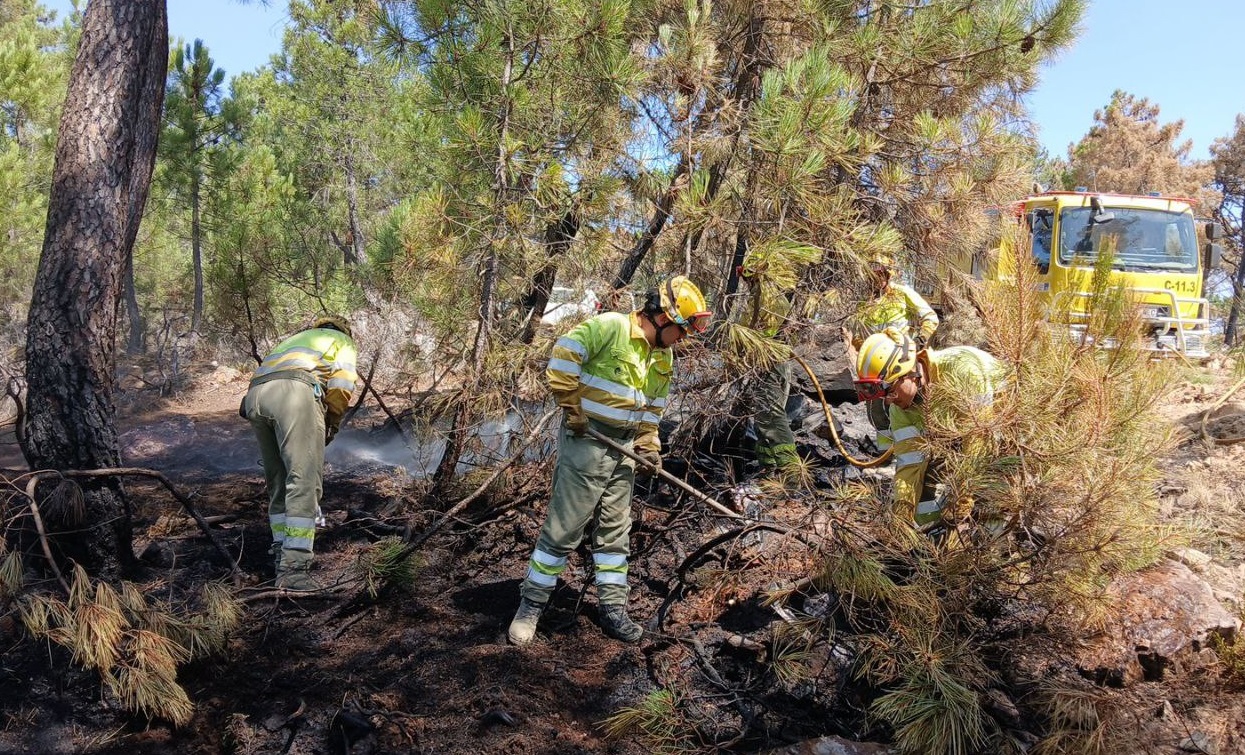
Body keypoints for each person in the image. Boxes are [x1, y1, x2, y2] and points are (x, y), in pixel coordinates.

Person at [509, 275, 711, 646]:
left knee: (615, 530)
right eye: (681, 330)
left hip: (625, 447)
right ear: (663, 318)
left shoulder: (662, 356)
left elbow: (652, 409)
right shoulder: (611, 327)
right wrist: (572, 407)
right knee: (565, 528)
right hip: (588, 439)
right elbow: (563, 355)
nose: (682, 339)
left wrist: (649, 447)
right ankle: (530, 605)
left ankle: (613, 609)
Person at [241, 315, 359, 591]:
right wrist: (331, 424)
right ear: (345, 330)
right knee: (303, 481)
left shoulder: (295, 339)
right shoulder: (342, 341)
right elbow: (341, 388)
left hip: (255, 397)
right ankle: (294, 572)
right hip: (293, 394)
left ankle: (280, 555)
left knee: (279, 481)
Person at [853, 329, 1001, 529]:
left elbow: (979, 442)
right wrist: (901, 517)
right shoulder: (900, 410)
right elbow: (909, 466)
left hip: (1006, 436)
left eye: (891, 391)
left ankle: (994, 539)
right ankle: (934, 541)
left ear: (909, 373)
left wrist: (962, 498)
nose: (888, 401)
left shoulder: (962, 369)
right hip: (960, 442)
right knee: (924, 504)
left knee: (993, 505)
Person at [847, 254, 940, 450]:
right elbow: (857, 336)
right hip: (877, 370)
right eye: (872, 275)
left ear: (888, 275)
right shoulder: (863, 303)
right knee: (877, 412)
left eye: (880, 274)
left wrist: (919, 341)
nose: (876, 279)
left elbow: (930, 318)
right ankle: (885, 453)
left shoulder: (902, 293)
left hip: (902, 366)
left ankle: (916, 450)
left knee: (910, 406)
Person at [736, 260, 800, 474]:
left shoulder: (763, 298)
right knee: (763, 420)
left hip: (770, 365)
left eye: (744, 275)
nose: (744, 282)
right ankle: (769, 471)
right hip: (777, 363)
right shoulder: (776, 297)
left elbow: (749, 333)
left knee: (771, 418)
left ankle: (791, 473)